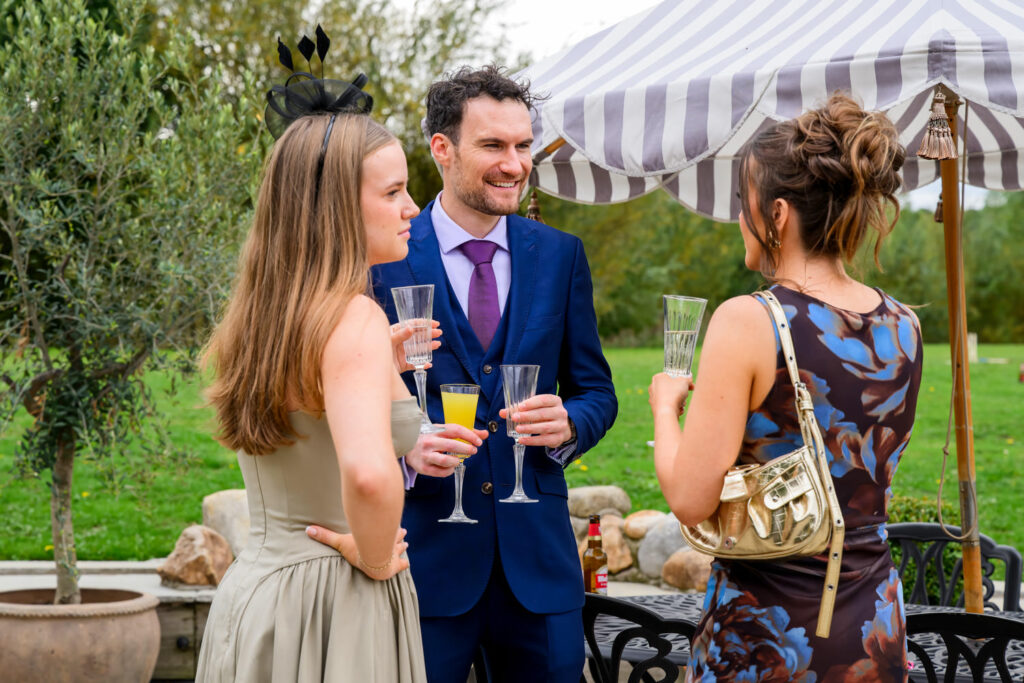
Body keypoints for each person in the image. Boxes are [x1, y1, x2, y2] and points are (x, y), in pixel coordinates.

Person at [313, 65, 617, 682]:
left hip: (539, 570)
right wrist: (404, 452)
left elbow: (598, 392)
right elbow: (332, 404)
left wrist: (570, 423)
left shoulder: (561, 257)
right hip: (421, 565)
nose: (515, 164)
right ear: (442, 150)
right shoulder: (378, 255)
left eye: (524, 146)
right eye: (494, 146)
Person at [195, 39, 446, 681]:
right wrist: (372, 552)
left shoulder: (266, 315)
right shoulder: (354, 316)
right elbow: (366, 475)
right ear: (335, 205)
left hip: (258, 595)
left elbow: (307, 413)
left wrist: (373, 365)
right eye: (393, 191)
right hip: (331, 603)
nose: (411, 208)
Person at [648, 94, 923, 680]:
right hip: (875, 621)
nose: (736, 219)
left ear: (776, 214)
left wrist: (664, 410)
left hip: (770, 631)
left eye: (741, 203)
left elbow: (691, 500)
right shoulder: (905, 324)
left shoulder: (748, 320)